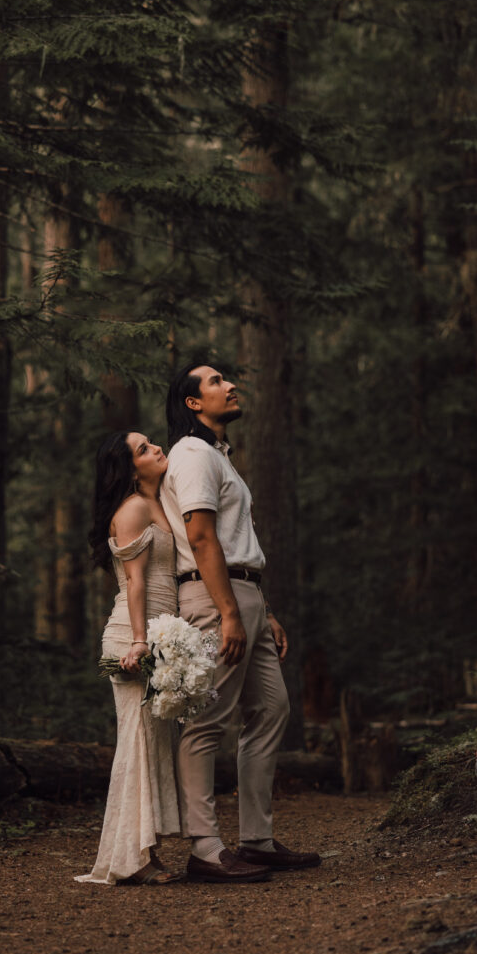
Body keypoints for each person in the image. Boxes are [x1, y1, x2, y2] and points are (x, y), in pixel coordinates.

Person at [160, 363, 321, 883]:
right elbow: (202, 538)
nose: (229, 385)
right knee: (207, 720)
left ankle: (257, 838)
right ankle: (205, 847)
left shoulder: (220, 457)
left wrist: (262, 610)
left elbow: (235, 543)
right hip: (215, 599)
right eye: (214, 382)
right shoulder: (191, 454)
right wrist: (230, 612)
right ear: (192, 403)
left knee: (272, 708)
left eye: (227, 379)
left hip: (244, 593)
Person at [75, 431, 183, 886]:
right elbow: (136, 583)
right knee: (137, 741)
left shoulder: (155, 500)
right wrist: (140, 641)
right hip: (134, 637)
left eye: (152, 442)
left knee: (152, 743)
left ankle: (145, 852)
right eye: (143, 449)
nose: (156, 448)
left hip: (161, 633)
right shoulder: (135, 508)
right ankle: (131, 859)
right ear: (128, 468)